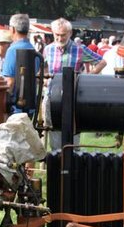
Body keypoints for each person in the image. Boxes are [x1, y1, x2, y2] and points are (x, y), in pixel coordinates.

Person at [43, 18, 106, 148]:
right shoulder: (48, 49)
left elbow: (101, 62)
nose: (60, 38)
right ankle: (57, 158)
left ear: (70, 33)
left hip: (73, 97)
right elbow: (43, 67)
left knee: (73, 130)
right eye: (57, 35)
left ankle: (73, 158)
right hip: (51, 96)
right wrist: (45, 79)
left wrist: (88, 78)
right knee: (53, 129)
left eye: (63, 35)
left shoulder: (79, 49)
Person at [2, 13, 37, 114]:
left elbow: (10, 82)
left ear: (12, 29)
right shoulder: (33, 50)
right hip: (31, 106)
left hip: (15, 108)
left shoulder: (12, 50)